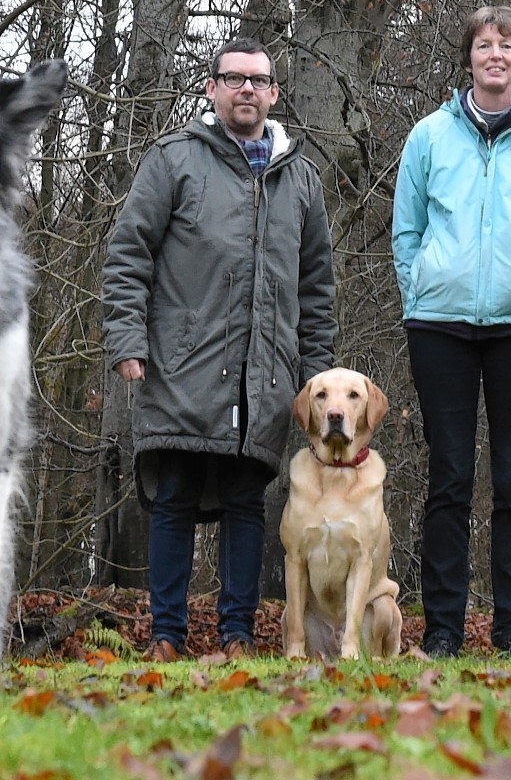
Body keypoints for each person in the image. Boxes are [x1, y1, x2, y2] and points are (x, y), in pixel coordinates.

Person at [103, 37, 337, 662]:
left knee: (245, 498)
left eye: (258, 81)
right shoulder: (174, 159)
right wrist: (127, 339)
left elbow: (316, 289)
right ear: (211, 88)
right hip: (181, 362)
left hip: (267, 373)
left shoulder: (302, 180)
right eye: (233, 78)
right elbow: (129, 255)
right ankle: (166, 637)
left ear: (274, 94)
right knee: (173, 493)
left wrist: (314, 379)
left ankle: (237, 636)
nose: (246, 90)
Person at [391, 6, 511, 657]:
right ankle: (441, 630)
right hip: (438, 326)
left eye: (506, 46)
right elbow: (407, 231)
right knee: (448, 477)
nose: (494, 55)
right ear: (467, 58)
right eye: (483, 45)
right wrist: (421, 291)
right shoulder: (429, 137)